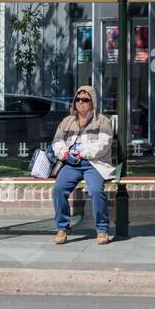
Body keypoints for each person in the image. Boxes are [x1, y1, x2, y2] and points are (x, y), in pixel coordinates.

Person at [51, 84, 115, 245]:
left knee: (95, 191)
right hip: (71, 164)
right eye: (78, 99)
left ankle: (102, 230)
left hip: (93, 163)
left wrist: (82, 153)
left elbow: (104, 144)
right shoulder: (67, 121)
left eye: (85, 100)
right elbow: (57, 141)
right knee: (58, 189)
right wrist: (64, 153)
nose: (81, 102)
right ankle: (62, 228)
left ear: (93, 102)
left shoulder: (103, 121)